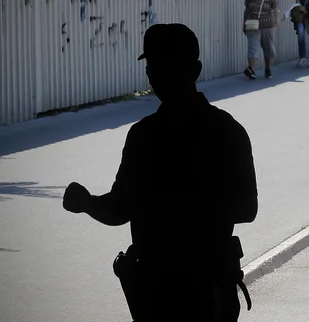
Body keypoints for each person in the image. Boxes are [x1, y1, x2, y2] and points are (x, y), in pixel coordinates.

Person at [62, 23, 258, 322]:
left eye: (162, 66)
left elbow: (118, 210)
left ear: (192, 70)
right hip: (208, 289)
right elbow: (247, 208)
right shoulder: (227, 130)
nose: (155, 75)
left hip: (161, 292)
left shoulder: (145, 136)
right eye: (154, 66)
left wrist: (86, 202)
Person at [243, 0, 280, 79]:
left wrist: (277, 20)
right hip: (252, 24)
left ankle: (268, 69)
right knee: (252, 47)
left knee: (267, 48)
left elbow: (275, 9)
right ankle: (251, 69)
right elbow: (247, 10)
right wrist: (243, 24)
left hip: (267, 25)